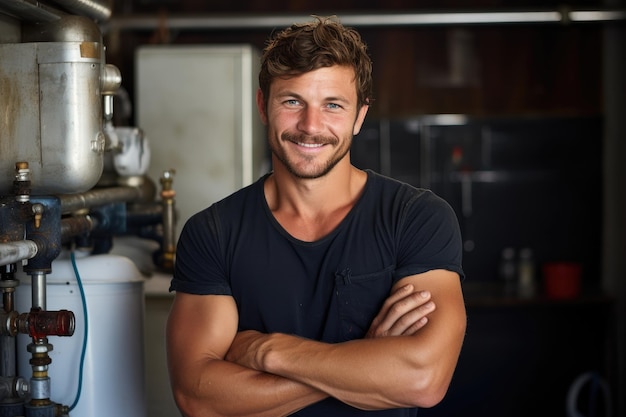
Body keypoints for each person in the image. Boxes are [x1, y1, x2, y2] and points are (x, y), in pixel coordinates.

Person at [166, 15, 466, 417]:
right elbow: (198, 399)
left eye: (333, 105)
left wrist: (268, 352)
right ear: (262, 106)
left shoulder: (417, 218)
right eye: (292, 101)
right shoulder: (213, 232)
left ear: (359, 116)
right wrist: (365, 358)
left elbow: (423, 380)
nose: (310, 126)